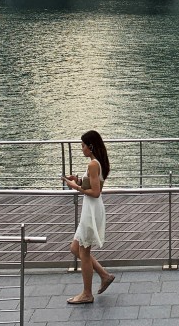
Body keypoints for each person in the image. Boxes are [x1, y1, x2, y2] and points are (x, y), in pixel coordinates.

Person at [63, 130, 115, 305]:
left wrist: (74, 187)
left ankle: (87, 293)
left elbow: (95, 192)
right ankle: (104, 275)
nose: (82, 149)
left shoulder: (93, 164)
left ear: (90, 146)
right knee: (75, 248)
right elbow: (93, 184)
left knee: (84, 251)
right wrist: (78, 181)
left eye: (83, 146)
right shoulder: (97, 163)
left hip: (91, 210)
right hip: (90, 209)